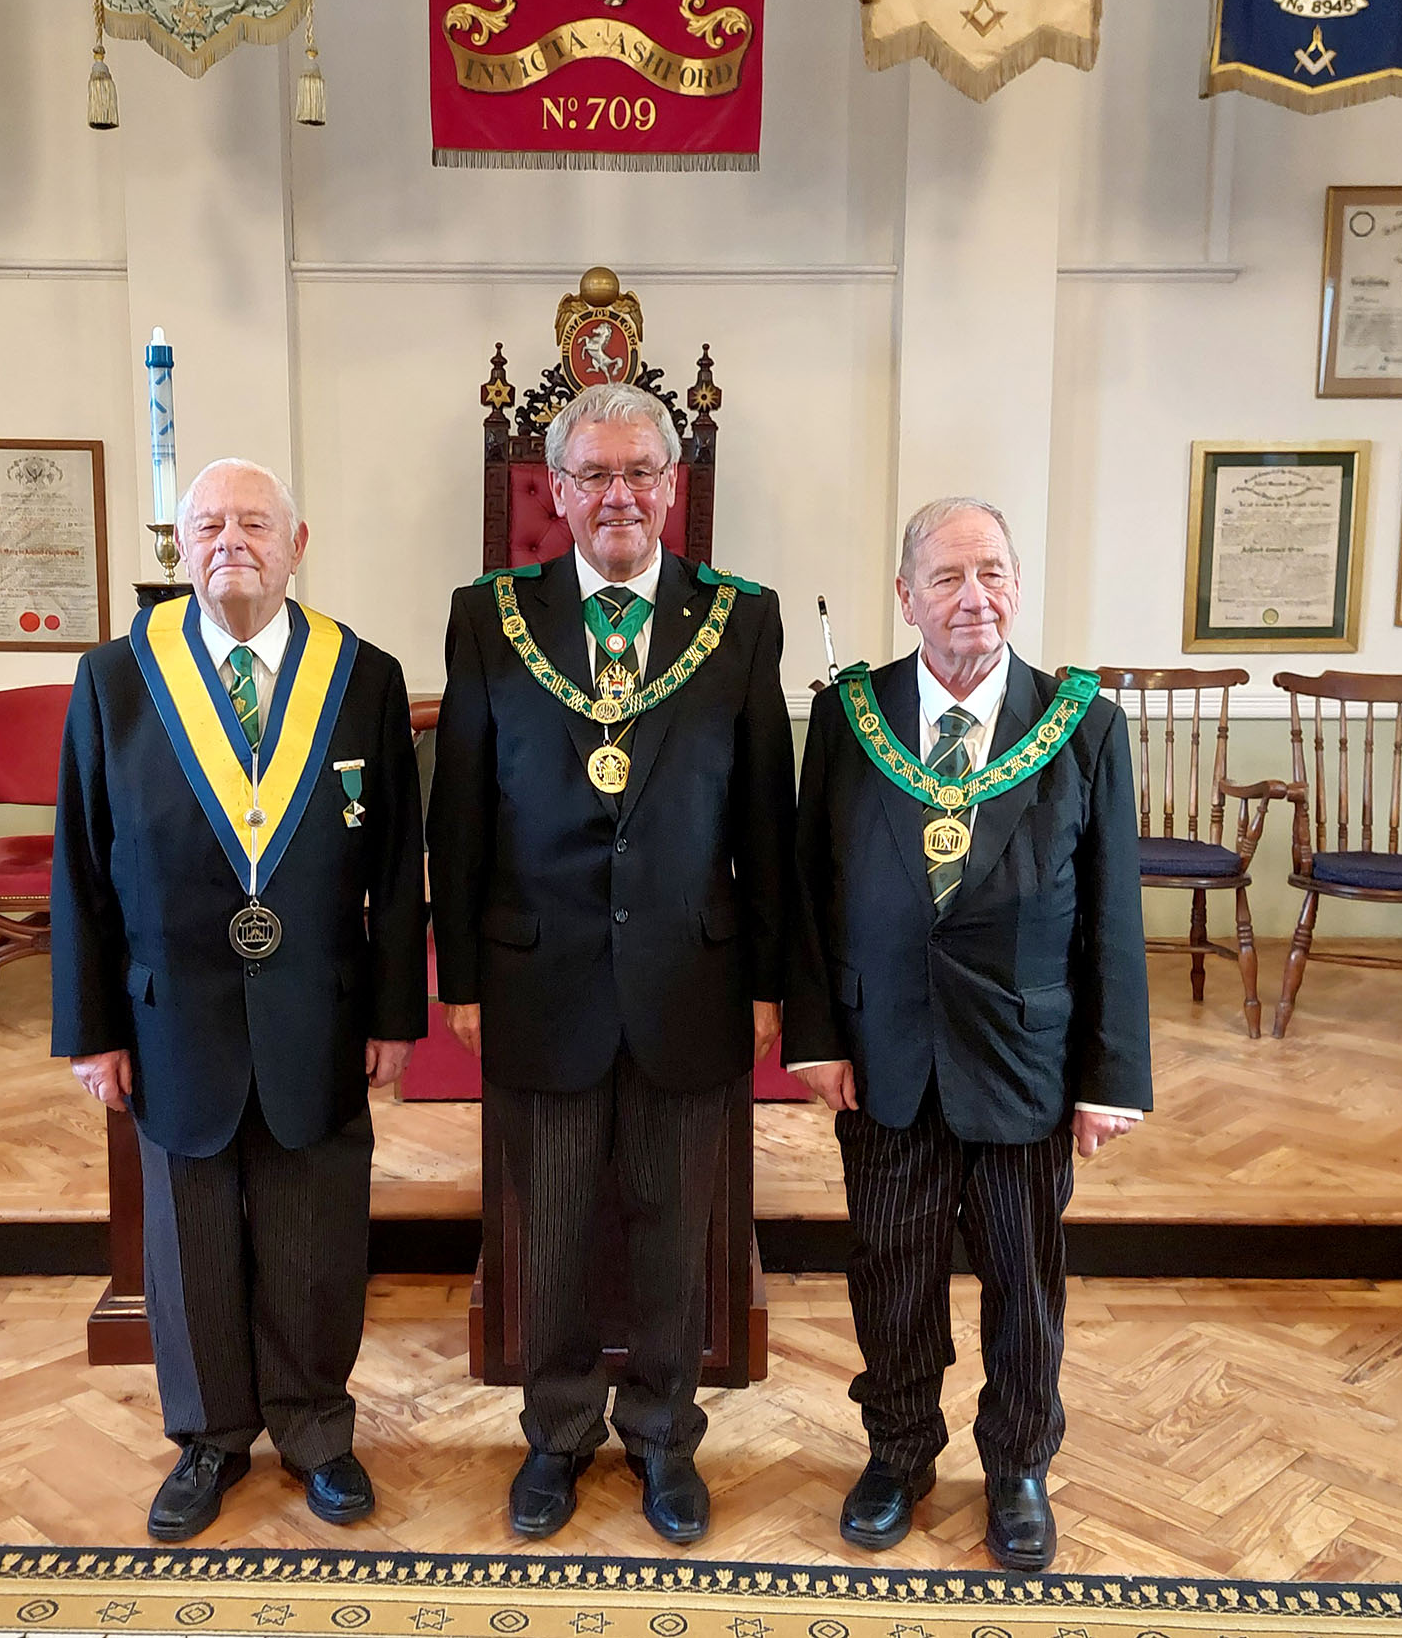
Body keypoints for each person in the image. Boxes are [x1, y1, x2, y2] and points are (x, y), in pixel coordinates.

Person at [427, 382, 795, 1546]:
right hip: (539, 978)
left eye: (642, 472)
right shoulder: (493, 614)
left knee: (676, 1225)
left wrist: (772, 980)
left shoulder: (740, 617)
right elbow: (461, 813)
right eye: (594, 474)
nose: (620, 494)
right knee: (556, 1225)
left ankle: (663, 1437)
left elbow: (767, 819)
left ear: (673, 487)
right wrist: (465, 980)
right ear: (558, 489)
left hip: (694, 977)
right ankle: (556, 1435)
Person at [52, 458, 426, 1542]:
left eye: (253, 522)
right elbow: (78, 864)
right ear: (181, 544)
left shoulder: (360, 675)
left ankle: (316, 1427)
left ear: (298, 543)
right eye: (207, 523)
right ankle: (209, 1435)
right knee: (190, 1236)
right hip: (172, 1013)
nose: (231, 541)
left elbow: (399, 866)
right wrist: (90, 1028)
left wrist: (396, 1012)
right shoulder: (118, 678)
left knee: (315, 1230)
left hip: (320, 1009)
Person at [785, 496, 1150, 1572]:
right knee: (889, 1270)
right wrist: (816, 1034)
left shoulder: (1080, 723)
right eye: (945, 576)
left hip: (1025, 1058)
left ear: (1018, 586)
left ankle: (1018, 1466)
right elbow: (813, 888)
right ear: (905, 596)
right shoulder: (850, 717)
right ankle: (897, 1451)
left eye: (991, 570)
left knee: (1023, 1280)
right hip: (885, 1054)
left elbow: (1113, 912)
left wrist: (1110, 1072)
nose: (972, 595)